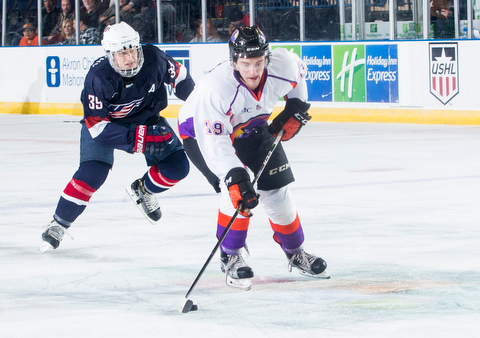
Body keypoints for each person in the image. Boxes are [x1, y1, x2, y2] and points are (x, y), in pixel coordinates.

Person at [178, 26, 329, 290]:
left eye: (259, 63)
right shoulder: (215, 89)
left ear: (267, 58)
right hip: (201, 134)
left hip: (251, 127)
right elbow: (215, 143)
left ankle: (296, 251)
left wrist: (297, 106)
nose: (253, 72)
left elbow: (298, 80)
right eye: (246, 64)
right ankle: (231, 255)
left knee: (277, 189)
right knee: (236, 192)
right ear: (234, 61)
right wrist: (235, 175)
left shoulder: (285, 64)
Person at [39, 22, 195, 253]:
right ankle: (58, 223)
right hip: (107, 126)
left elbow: (182, 79)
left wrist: (200, 107)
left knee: (178, 167)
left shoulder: (155, 58)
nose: (130, 57)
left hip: (146, 117)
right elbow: (98, 128)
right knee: (93, 173)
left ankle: (144, 190)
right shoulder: (99, 77)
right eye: (122, 52)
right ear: (111, 55)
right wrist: (142, 138)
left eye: (133, 49)